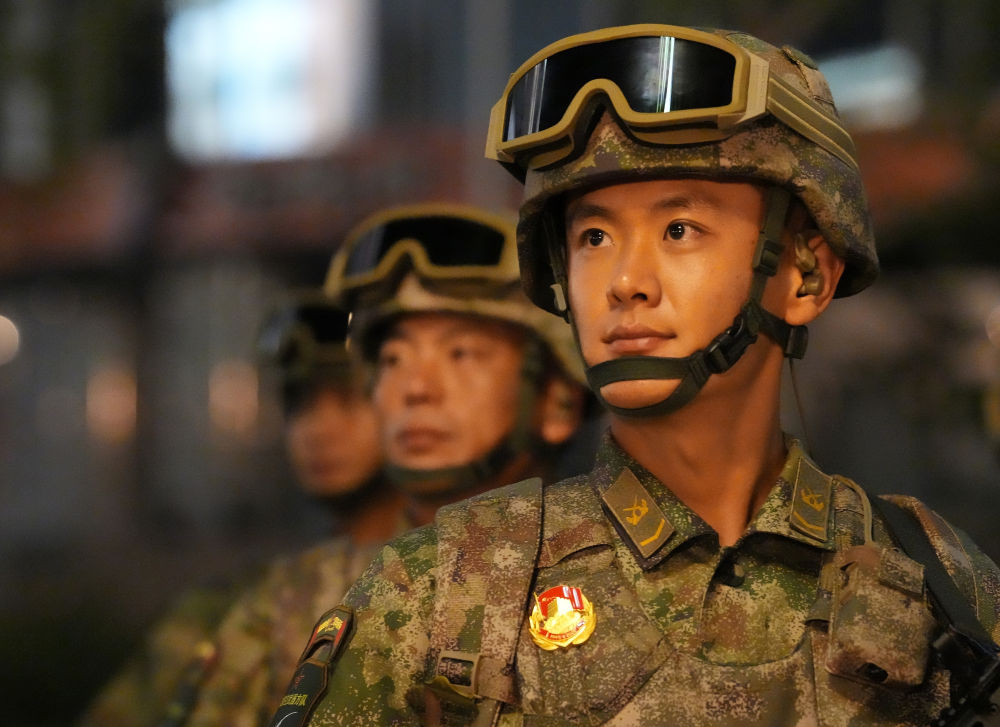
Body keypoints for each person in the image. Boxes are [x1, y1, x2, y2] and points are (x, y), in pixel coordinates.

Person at [274, 24, 1000, 727]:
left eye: (679, 230)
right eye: (594, 237)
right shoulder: (439, 596)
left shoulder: (942, 587)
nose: (625, 281)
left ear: (805, 275)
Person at [181, 202, 591, 726]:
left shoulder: (612, 583)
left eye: (461, 354)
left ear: (557, 403)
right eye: (394, 359)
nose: (416, 388)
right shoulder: (291, 604)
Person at [76, 293, 394, 727]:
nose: (319, 430)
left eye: (349, 401)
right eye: (300, 404)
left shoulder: (455, 581)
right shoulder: (242, 603)